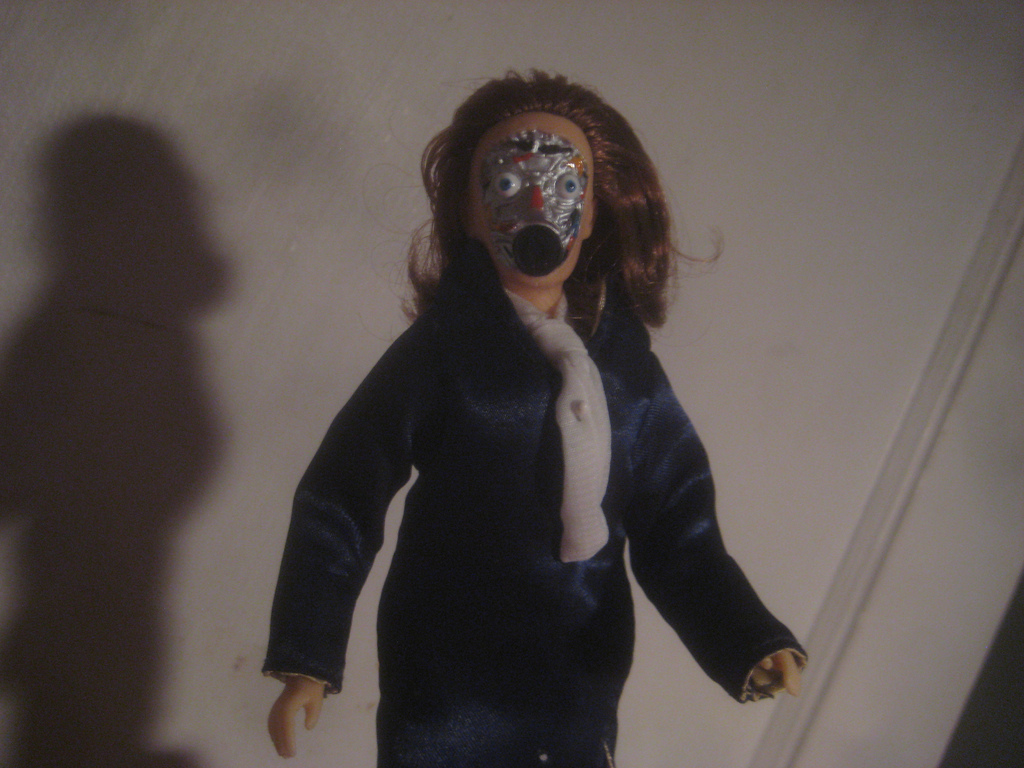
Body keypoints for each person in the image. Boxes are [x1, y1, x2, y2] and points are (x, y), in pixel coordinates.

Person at [264, 70, 804, 768]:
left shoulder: (626, 373)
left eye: (565, 185)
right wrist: (307, 654)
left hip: (580, 659)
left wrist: (744, 638)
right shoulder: (443, 352)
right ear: (468, 211)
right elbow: (341, 494)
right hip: (447, 659)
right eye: (508, 183)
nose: (539, 207)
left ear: (594, 211)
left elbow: (678, 526)